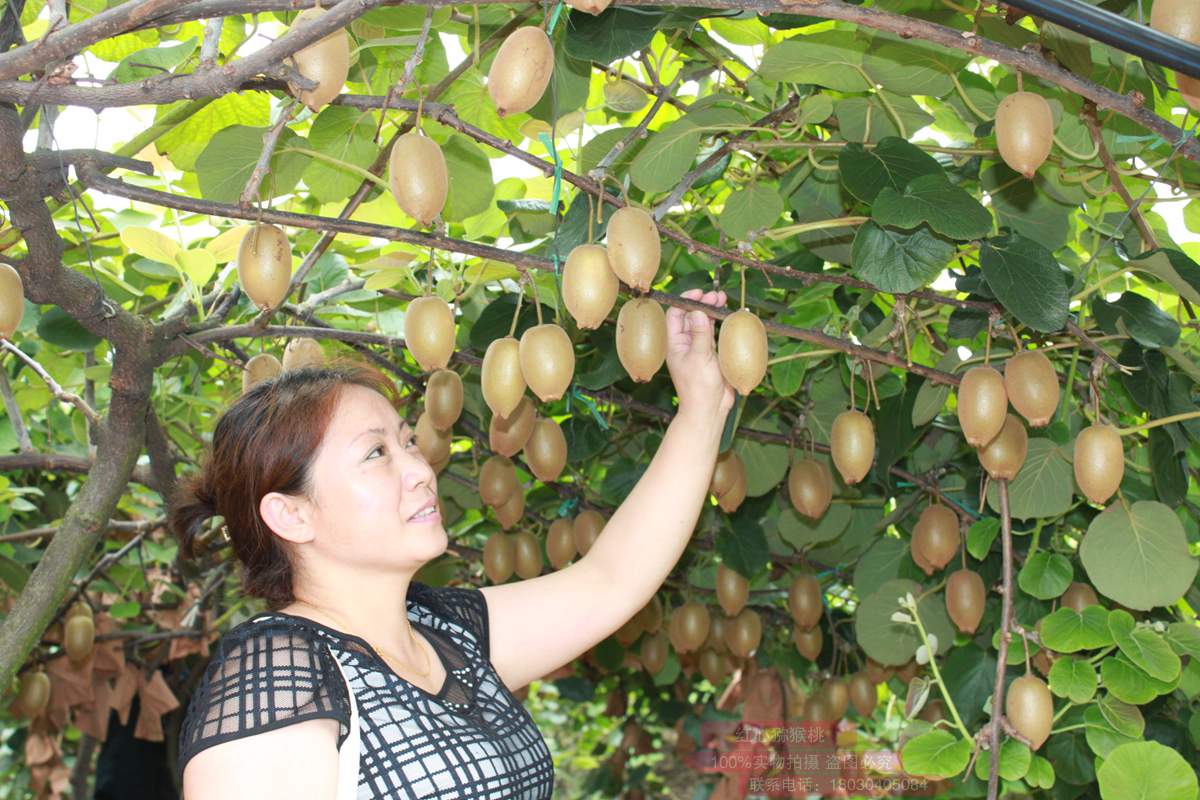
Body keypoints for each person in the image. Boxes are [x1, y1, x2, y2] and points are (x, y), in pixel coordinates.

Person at [169, 288, 735, 799]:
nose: (419, 469)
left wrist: (704, 406)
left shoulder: (445, 632)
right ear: (291, 515)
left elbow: (611, 580)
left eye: (407, 442)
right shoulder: (275, 677)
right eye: (375, 454)